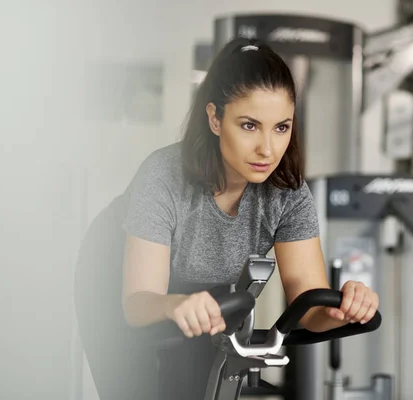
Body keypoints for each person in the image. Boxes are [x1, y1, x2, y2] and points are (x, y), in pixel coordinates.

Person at [106, 37, 379, 399]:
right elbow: (138, 302)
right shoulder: (163, 176)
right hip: (123, 288)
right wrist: (172, 304)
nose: (268, 149)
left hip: (205, 299)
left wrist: (344, 308)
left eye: (281, 127)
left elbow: (308, 305)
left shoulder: (288, 193)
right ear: (215, 119)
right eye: (250, 125)